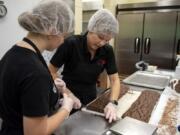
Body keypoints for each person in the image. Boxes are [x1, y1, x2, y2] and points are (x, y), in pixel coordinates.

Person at [0, 0, 75, 134]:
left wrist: (48, 89)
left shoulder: (12, 54)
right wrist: (65, 109)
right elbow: (36, 132)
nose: (63, 40)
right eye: (63, 35)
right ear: (52, 30)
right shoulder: (35, 72)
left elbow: (17, 94)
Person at [49, 9, 121, 123]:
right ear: (91, 29)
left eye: (107, 40)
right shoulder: (71, 43)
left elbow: (114, 80)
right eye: (101, 37)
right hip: (67, 98)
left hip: (91, 98)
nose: (102, 43)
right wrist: (68, 94)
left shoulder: (107, 51)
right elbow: (51, 71)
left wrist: (113, 103)